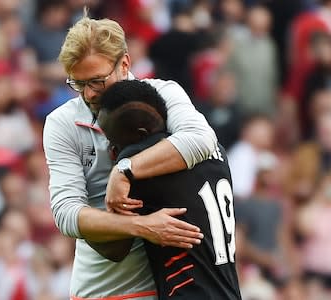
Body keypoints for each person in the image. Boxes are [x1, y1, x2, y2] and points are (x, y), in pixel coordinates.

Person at [42, 10, 217, 299]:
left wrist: (124, 169)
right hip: (104, 289)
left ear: (124, 64)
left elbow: (201, 139)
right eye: (78, 84)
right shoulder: (61, 123)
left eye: (97, 81)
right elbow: (66, 213)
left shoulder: (164, 93)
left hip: (172, 286)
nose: (88, 95)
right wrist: (142, 227)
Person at [95, 79, 241, 299]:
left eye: (111, 138)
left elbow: (114, 249)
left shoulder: (136, 163)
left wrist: (79, 219)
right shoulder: (215, 149)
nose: (110, 148)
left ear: (142, 134)